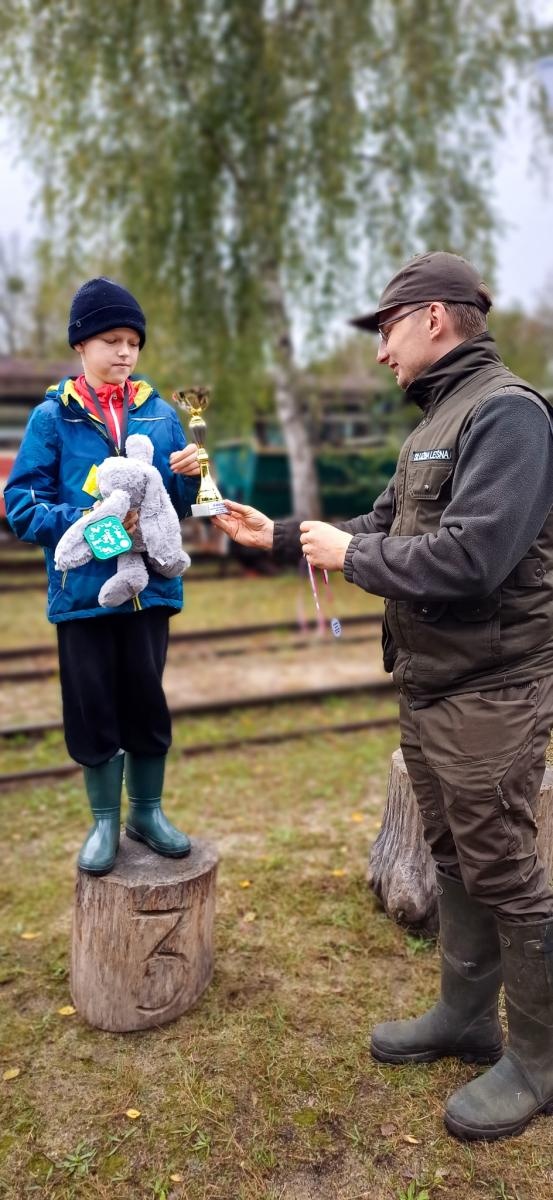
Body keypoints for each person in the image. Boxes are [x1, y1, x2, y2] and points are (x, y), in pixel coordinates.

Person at [208, 251, 553, 1142]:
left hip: (491, 688)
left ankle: (540, 1063)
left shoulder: (507, 416)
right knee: (451, 854)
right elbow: (383, 525)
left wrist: (350, 558)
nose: (377, 353)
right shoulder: (436, 419)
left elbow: (473, 557)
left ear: (433, 317)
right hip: (433, 685)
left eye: (385, 329)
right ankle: (465, 1019)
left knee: (507, 872)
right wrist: (281, 533)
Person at [5, 277, 200, 876]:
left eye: (132, 342)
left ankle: (147, 811)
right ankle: (104, 823)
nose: (123, 352)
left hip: (151, 593)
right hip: (83, 596)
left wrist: (190, 478)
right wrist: (96, 526)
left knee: (146, 702)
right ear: (80, 347)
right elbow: (21, 505)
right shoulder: (50, 418)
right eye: (110, 340)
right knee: (91, 708)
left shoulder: (163, 414)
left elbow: (176, 504)